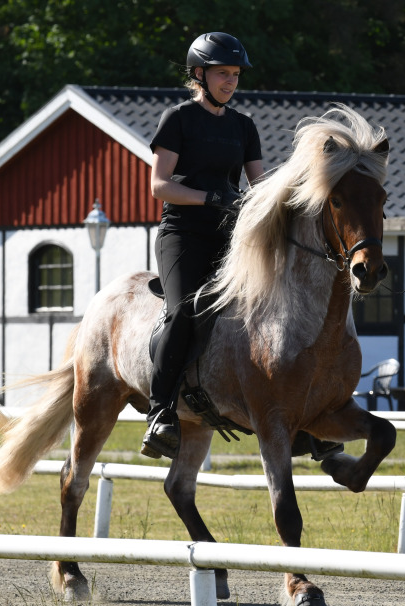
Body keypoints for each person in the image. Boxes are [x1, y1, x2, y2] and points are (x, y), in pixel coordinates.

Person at [141, 32, 264, 460]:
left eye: (235, 75)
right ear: (199, 74)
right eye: (222, 73)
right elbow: (159, 186)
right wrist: (210, 197)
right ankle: (160, 412)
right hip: (182, 233)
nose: (230, 81)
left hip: (230, 237)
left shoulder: (244, 126)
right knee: (182, 312)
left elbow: (259, 186)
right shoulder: (178, 119)